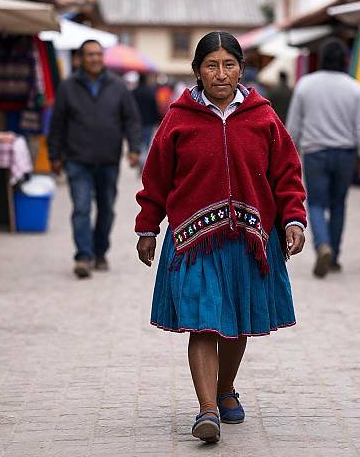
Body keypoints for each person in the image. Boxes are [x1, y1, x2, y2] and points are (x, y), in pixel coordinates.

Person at [135, 31, 307, 444]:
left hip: (250, 238)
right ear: (197, 72)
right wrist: (147, 226)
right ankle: (207, 409)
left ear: (241, 70)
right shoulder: (178, 118)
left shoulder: (263, 117)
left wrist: (293, 220)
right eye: (211, 65)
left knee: (238, 323)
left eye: (229, 64)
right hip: (194, 241)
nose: (220, 73)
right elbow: (156, 176)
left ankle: (225, 387)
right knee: (203, 322)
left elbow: (287, 173)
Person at [48, 39, 142, 279]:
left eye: (98, 54)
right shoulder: (68, 86)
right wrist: (54, 155)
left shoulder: (118, 86)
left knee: (106, 210)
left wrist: (133, 149)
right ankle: (83, 256)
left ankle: (100, 252)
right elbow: (57, 123)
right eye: (90, 55)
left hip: (108, 159)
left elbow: (131, 119)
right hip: (77, 158)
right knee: (81, 208)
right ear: (80, 58)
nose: (95, 59)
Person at [286, 39, 360, 278]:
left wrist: (288, 154)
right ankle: (334, 255)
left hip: (315, 153)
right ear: (346, 60)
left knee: (315, 203)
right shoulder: (355, 88)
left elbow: (293, 125)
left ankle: (321, 244)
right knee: (338, 205)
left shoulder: (305, 85)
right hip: (346, 154)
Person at [132, 73, 160, 170]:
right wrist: (157, 119)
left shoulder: (134, 92)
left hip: (136, 122)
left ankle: (140, 162)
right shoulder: (150, 92)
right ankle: (144, 164)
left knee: (139, 143)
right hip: (149, 121)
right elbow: (154, 106)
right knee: (147, 144)